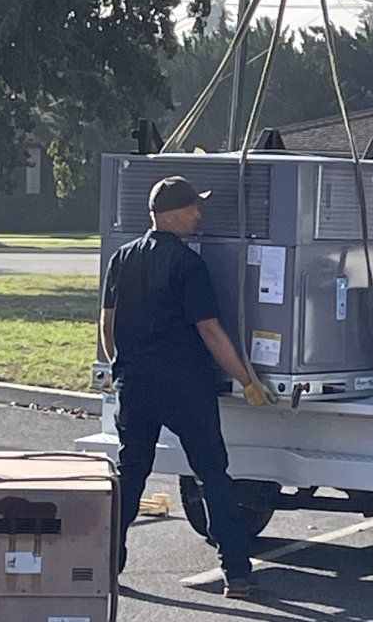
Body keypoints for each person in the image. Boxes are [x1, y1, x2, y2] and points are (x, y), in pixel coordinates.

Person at [99, 175, 269, 600]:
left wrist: (119, 366)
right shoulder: (189, 264)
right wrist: (248, 382)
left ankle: (107, 570)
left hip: (135, 385)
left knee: (130, 477)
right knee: (212, 475)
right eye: (194, 207)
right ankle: (237, 574)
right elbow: (210, 330)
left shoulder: (122, 257)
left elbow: (106, 323)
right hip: (185, 386)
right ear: (172, 214)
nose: (199, 213)